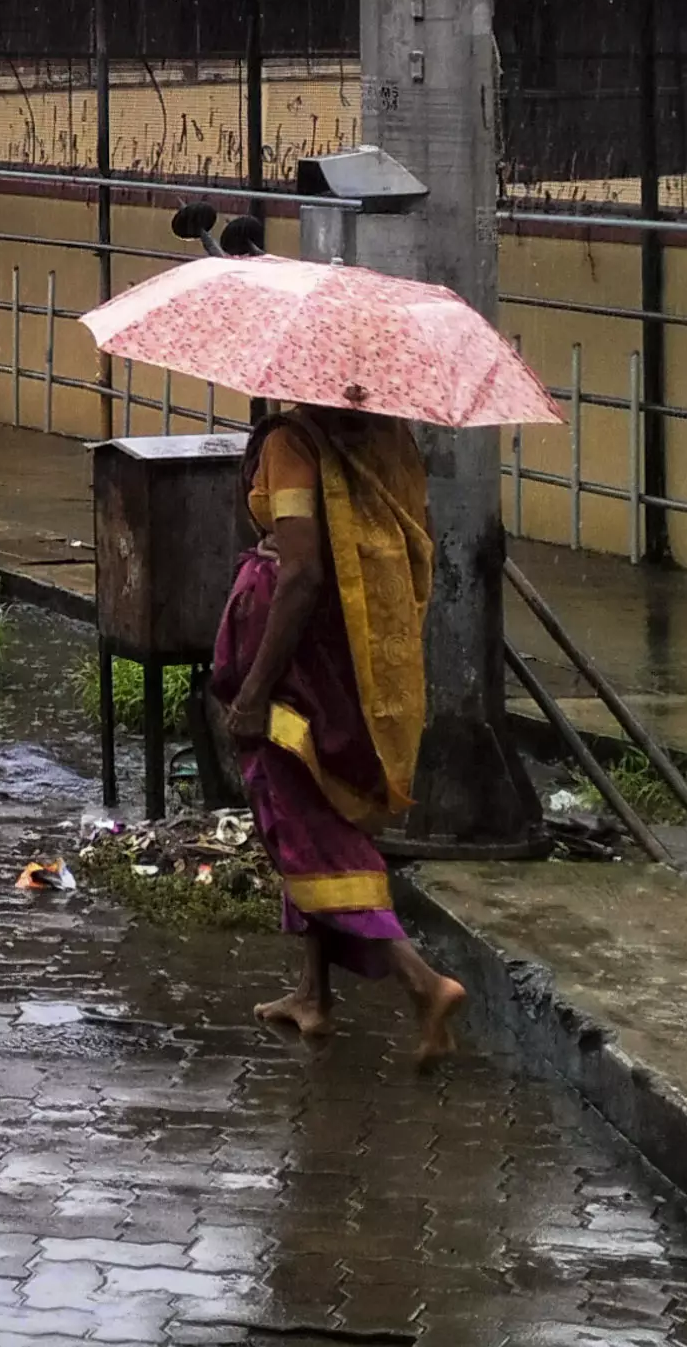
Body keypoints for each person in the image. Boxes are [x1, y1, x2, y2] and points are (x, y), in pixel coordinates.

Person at [207, 404, 470, 1067]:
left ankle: (424, 984)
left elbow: (301, 572)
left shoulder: (294, 442)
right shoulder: (384, 438)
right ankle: (313, 993)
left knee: (307, 827)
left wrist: (255, 690)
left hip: (299, 664)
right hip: (352, 657)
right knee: (317, 809)